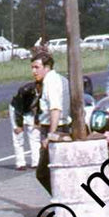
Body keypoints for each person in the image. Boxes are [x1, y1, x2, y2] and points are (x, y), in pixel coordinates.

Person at [31, 51, 67, 195]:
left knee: (43, 173)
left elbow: (55, 109)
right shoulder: (60, 79)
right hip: (59, 127)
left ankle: (62, 202)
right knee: (58, 172)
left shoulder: (50, 82)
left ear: (47, 67)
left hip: (55, 129)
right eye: (32, 67)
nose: (33, 71)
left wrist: (51, 135)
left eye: (36, 67)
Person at [8, 80, 40, 171]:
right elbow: (18, 107)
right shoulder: (26, 90)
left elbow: (40, 108)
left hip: (29, 111)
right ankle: (20, 163)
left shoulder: (43, 92)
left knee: (35, 134)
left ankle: (36, 162)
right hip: (17, 110)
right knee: (18, 136)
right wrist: (19, 124)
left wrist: (37, 122)